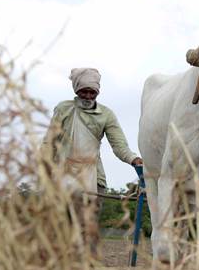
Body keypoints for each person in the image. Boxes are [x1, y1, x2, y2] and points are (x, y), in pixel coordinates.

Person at [42, 68, 142, 252]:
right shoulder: (64, 109)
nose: (87, 96)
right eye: (83, 91)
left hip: (93, 181)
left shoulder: (106, 115)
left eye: (92, 92)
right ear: (76, 90)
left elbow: (119, 145)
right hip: (62, 177)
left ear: (98, 92)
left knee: (87, 229)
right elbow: (49, 142)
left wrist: (133, 159)